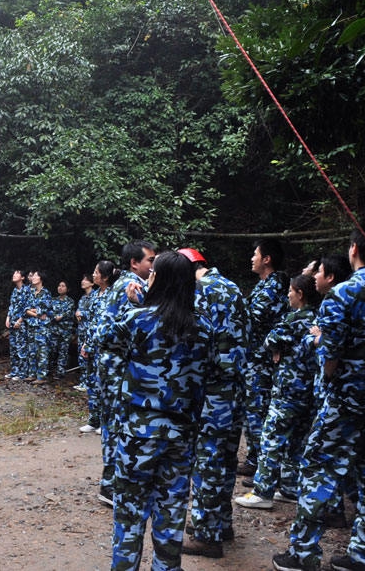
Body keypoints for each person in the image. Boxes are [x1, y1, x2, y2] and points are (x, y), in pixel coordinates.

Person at [274, 223, 365, 571]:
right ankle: (362, 556)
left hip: (346, 400)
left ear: (353, 250)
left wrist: (323, 357)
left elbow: (330, 354)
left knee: (319, 470)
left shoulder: (343, 294)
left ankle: (303, 553)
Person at [98, 250, 212, 571]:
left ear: (156, 280)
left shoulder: (138, 320)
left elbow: (101, 337)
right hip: (181, 437)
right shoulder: (204, 329)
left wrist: (122, 301)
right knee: (172, 515)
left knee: (129, 516)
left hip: (137, 436)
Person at [180, 247, 248, 559]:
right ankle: (222, 523)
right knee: (226, 459)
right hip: (236, 387)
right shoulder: (233, 287)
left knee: (207, 460)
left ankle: (206, 535)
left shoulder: (198, 292)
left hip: (212, 389)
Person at [236, 273, 322, 510]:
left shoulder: (295, 318)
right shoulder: (318, 318)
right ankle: (289, 487)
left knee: (272, 437)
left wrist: (278, 348)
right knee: (296, 440)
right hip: (309, 390)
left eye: (290, 291)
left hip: (288, 389)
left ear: (300, 294)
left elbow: (270, 340)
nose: (287, 295)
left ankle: (263, 490)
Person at [92, 240, 157, 507]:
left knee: (112, 425)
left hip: (112, 364)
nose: (153, 266)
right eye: (150, 261)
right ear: (134, 263)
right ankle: (112, 485)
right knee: (118, 425)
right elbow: (119, 331)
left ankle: (112, 483)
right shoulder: (132, 287)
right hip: (118, 366)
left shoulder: (124, 285)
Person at [242, 238, 290, 477]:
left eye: (256, 254)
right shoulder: (266, 285)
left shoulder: (274, 285)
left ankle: (260, 462)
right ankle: (257, 459)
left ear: (267, 259)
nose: (252, 258)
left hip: (262, 360)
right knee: (253, 409)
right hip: (256, 357)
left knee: (256, 410)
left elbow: (254, 317)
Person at [79, 261, 117, 432]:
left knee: (104, 384)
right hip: (91, 344)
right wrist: (86, 343)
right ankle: (94, 419)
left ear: (106, 277)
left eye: (96, 272)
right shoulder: (95, 295)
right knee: (92, 383)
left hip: (105, 346)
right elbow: (91, 321)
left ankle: (105, 421)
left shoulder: (113, 295)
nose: (93, 275)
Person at [23, 269, 53, 385]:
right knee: (32, 351)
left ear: (41, 279)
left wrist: (34, 311)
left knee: (42, 351)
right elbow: (25, 309)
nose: (33, 278)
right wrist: (36, 313)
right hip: (32, 326)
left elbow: (45, 310)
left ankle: (42, 376)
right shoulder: (31, 293)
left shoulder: (46, 293)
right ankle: (32, 374)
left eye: (35, 276)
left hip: (42, 327)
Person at [5, 269, 30, 380]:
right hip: (12, 322)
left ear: (23, 277)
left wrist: (20, 320)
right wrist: (8, 317)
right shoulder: (15, 291)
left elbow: (27, 307)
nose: (14, 275)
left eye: (17, 273)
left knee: (21, 347)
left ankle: (22, 373)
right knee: (13, 347)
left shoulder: (27, 290)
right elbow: (12, 305)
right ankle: (14, 371)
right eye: (14, 273)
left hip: (22, 324)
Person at [74, 273, 97, 393]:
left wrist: (82, 313)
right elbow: (79, 311)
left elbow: (96, 314)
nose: (83, 281)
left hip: (90, 332)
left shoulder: (96, 296)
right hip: (82, 330)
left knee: (89, 357)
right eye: (82, 279)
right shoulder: (83, 298)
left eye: (86, 280)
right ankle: (83, 382)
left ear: (92, 283)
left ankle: (90, 383)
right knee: (81, 356)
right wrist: (78, 313)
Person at [49, 280, 76, 380]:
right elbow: (49, 312)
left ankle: (60, 372)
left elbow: (67, 314)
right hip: (54, 331)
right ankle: (49, 370)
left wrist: (58, 316)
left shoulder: (70, 302)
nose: (60, 287)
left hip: (65, 331)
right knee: (52, 350)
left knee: (63, 352)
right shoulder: (53, 300)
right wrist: (55, 316)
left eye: (63, 286)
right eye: (59, 285)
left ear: (67, 289)